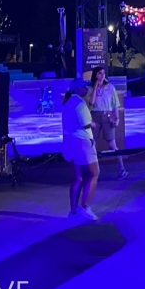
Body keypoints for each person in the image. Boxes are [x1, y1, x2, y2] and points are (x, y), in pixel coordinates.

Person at [62, 78, 99, 221]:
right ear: (77, 89)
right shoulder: (80, 103)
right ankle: (84, 207)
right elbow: (86, 124)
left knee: (78, 178)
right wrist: (94, 124)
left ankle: (72, 212)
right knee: (94, 173)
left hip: (68, 143)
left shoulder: (67, 103)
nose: (86, 89)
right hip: (81, 143)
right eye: (84, 87)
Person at [88, 67, 127, 178]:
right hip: (95, 116)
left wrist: (117, 118)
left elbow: (115, 105)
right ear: (95, 75)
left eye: (103, 73)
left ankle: (122, 168)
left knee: (112, 144)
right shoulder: (90, 88)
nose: (102, 75)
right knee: (92, 144)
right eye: (100, 73)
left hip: (107, 116)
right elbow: (91, 102)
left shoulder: (110, 88)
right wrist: (95, 87)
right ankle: (93, 171)